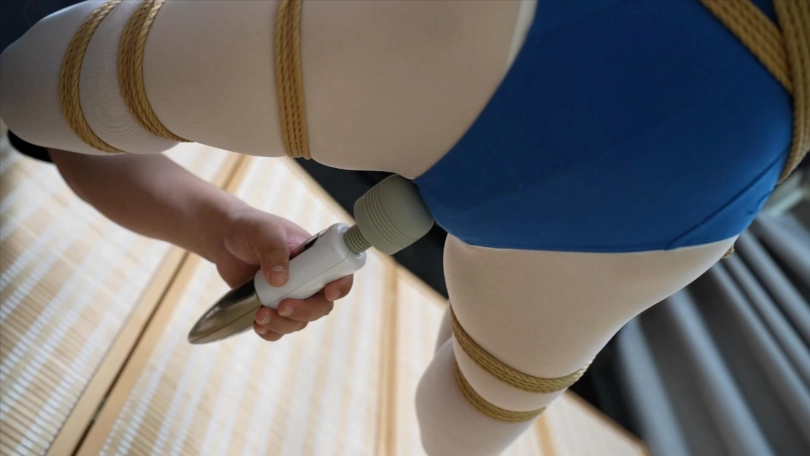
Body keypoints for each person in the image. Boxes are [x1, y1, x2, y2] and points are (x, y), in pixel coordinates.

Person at [0, 0, 802, 454]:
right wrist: (224, 221)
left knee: (42, 84)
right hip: (706, 178)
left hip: (650, 129)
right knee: (466, 432)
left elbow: (44, 104)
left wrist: (225, 224)